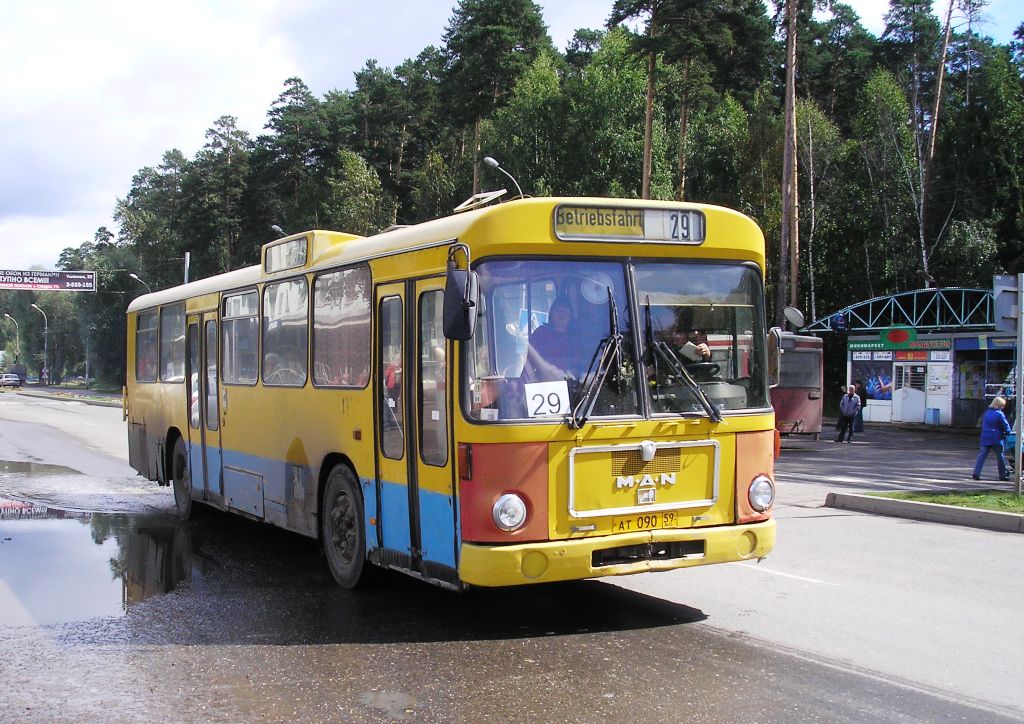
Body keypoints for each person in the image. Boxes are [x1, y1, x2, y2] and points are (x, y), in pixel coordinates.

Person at [526, 299, 583, 381]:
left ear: (571, 315)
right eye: (558, 311)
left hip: (573, 382)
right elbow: (528, 359)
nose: (561, 314)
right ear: (551, 314)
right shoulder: (541, 333)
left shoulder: (576, 337)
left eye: (565, 311)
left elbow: (581, 364)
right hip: (545, 382)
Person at [972, 396, 1011, 481]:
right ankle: (1002, 475)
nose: (1003, 407)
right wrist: (1008, 432)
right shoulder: (999, 414)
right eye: (1002, 406)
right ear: (999, 405)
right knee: (1000, 457)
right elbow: (1005, 425)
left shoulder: (987, 413)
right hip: (996, 438)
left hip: (985, 436)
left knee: (982, 456)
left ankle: (976, 473)